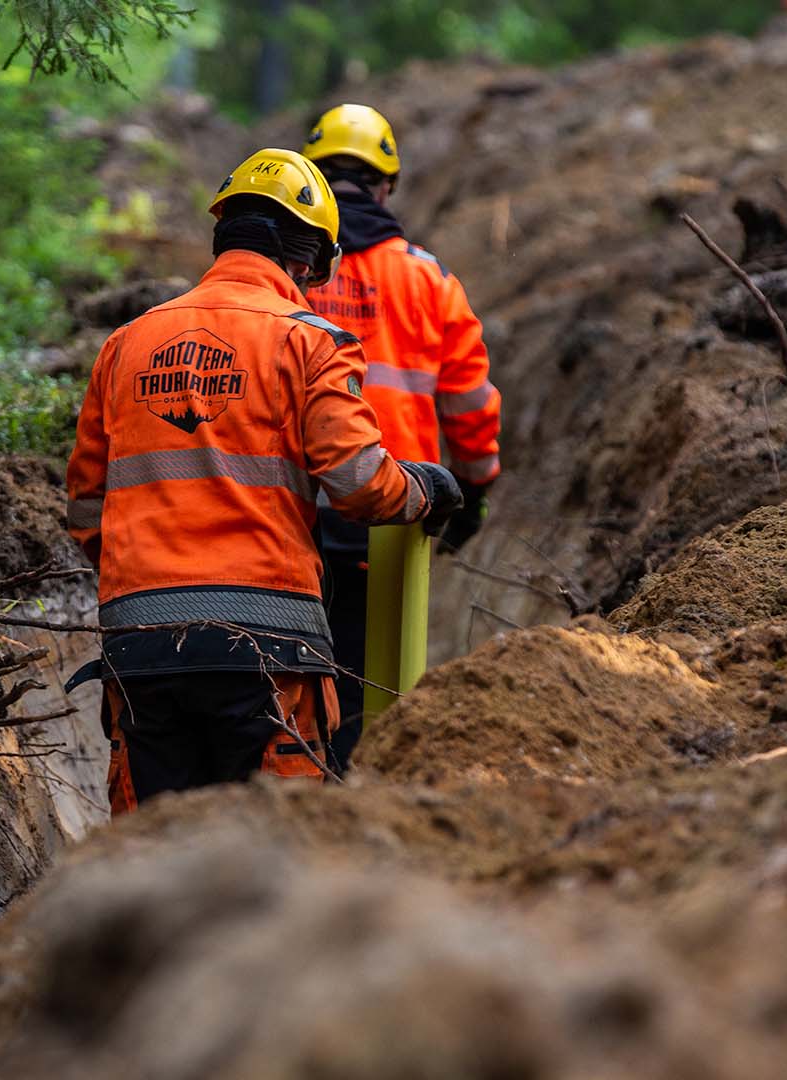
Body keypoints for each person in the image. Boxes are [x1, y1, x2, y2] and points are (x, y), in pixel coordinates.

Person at [65, 147, 462, 814]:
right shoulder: (312, 341)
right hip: (267, 647)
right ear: (306, 261)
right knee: (272, 843)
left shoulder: (125, 344)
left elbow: (85, 507)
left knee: (149, 849)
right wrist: (425, 487)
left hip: (141, 648)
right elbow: (361, 485)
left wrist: (147, 582)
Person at [301, 103, 503, 770]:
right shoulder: (427, 279)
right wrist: (473, 488)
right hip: (392, 514)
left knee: (293, 672)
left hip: (289, 513)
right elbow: (470, 403)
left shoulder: (289, 275)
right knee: (378, 684)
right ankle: (361, 789)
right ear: (385, 186)